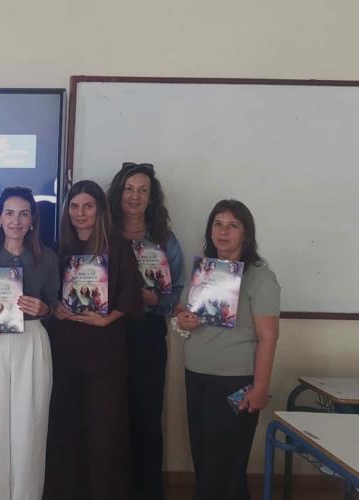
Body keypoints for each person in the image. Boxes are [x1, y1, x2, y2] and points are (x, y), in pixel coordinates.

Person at [43, 180, 142, 500]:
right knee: (67, 424)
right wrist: (55, 308)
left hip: (105, 351)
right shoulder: (58, 248)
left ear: (100, 210)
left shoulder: (118, 246)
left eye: (88, 206)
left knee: (104, 431)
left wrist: (107, 318)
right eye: (74, 206)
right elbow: (46, 294)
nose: (80, 213)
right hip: (66, 349)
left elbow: (131, 295)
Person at [175, 199, 280, 500]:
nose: (223, 232)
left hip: (235, 381)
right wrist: (183, 319)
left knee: (227, 461)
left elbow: (269, 336)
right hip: (197, 374)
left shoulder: (260, 277)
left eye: (233, 225)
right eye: (218, 224)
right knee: (204, 456)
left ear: (246, 233)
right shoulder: (203, 270)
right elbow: (182, 313)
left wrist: (260, 387)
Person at [0, 186, 59, 500]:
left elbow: (54, 303)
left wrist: (44, 309)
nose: (16, 221)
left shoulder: (47, 257)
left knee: (29, 426)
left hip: (31, 342)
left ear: (32, 221)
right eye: (10, 213)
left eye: (24, 214)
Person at [106, 162, 185, 500]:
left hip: (148, 334)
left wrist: (158, 300)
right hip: (108, 334)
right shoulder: (104, 235)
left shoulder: (165, 240)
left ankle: (147, 492)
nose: (135, 196)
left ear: (152, 198)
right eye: (129, 189)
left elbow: (176, 292)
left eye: (143, 190)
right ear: (118, 193)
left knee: (147, 415)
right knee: (109, 415)